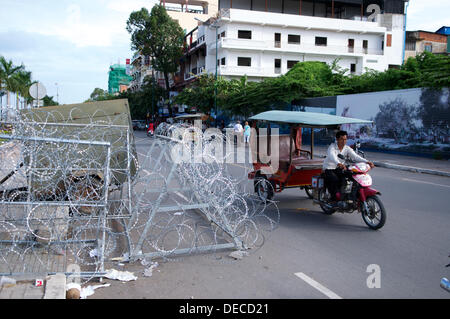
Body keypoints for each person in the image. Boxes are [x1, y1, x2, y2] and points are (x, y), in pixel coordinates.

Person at [323, 130, 374, 204]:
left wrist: (366, 161)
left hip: (340, 168)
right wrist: (338, 163)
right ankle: (333, 197)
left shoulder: (347, 148)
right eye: (341, 139)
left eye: (345, 139)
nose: (344, 141)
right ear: (337, 139)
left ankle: (350, 196)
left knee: (353, 177)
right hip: (329, 168)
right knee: (335, 179)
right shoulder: (332, 147)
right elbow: (332, 156)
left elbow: (355, 157)